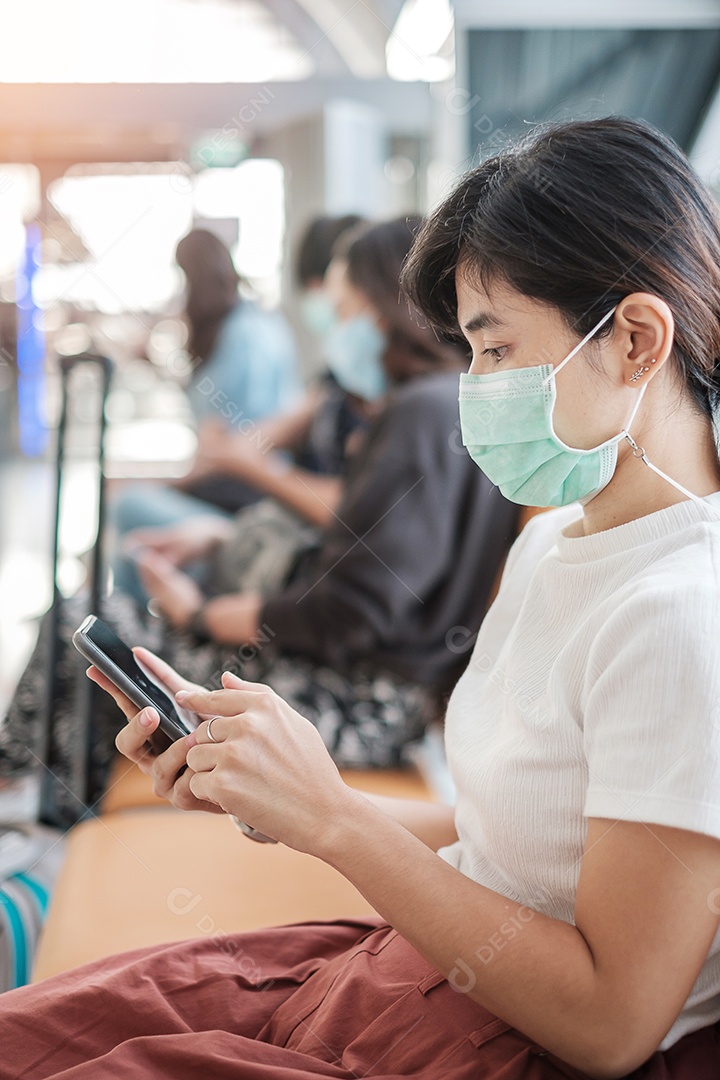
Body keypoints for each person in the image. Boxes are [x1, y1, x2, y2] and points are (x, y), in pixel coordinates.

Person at [11, 115, 720, 1078]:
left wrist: (338, 824)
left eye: (496, 349)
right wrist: (298, 797)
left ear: (636, 339)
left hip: (492, 1041)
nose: (475, 387)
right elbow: (509, 841)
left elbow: (608, 1023)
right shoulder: (560, 537)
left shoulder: (682, 615)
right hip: (417, 975)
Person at [0, 218, 518, 831]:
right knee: (94, 636)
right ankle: (49, 813)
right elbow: (362, 559)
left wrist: (201, 616)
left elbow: (354, 608)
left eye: (349, 311)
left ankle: (33, 808)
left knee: (82, 628)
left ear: (385, 312)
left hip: (357, 699)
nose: (340, 331)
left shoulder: (419, 415)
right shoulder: (434, 409)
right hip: (367, 688)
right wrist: (221, 550)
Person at [110, 228, 301, 542]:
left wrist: (159, 484)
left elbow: (223, 451)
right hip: (251, 487)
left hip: (249, 497)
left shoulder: (240, 341)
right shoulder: (256, 324)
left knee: (127, 506)